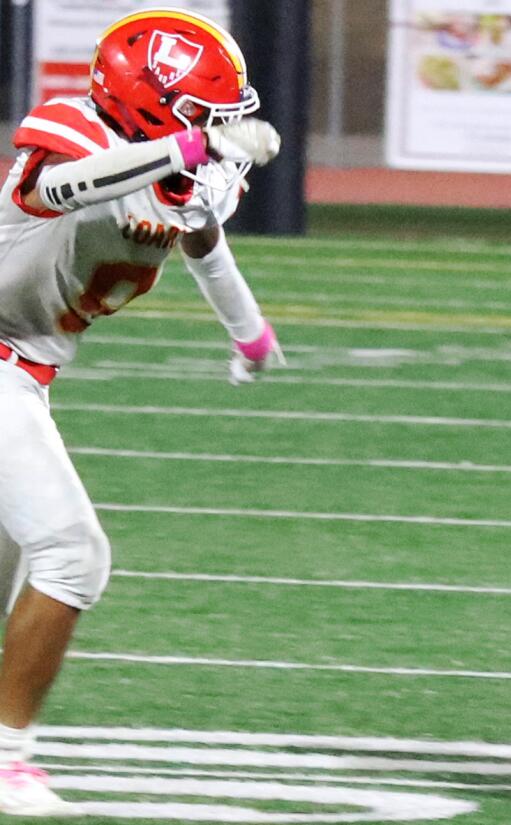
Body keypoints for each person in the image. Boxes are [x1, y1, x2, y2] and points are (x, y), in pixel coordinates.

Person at [0, 8, 283, 815]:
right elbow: (55, 188)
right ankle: (10, 760)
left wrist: (250, 333)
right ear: (155, 103)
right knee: (69, 555)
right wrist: (180, 149)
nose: (223, 127)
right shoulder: (69, 129)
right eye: (206, 112)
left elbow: (202, 239)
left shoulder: (187, 168)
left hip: (24, 374)